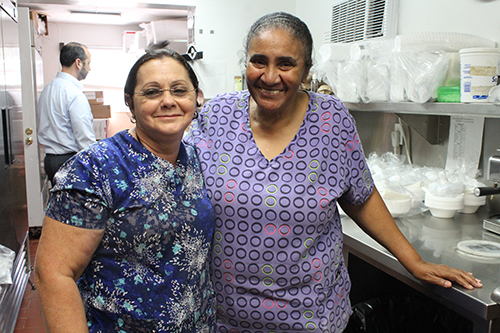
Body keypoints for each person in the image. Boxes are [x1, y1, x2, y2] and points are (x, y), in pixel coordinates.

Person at [184, 12, 482, 332]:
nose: (270, 76)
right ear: (246, 63)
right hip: (225, 318)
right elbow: (178, 184)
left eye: (286, 63)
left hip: (312, 317)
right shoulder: (217, 115)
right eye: (259, 61)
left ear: (306, 71)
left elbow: (361, 197)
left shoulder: (330, 120)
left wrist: (413, 261)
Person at [35, 48, 215, 332]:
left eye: (179, 90)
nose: (168, 101)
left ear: (196, 98)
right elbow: (53, 274)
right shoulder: (94, 169)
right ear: (130, 104)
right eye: (152, 92)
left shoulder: (196, 159)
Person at [38, 42, 96, 185]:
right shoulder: (74, 93)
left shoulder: (48, 89)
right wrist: (97, 164)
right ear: (78, 63)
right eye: (88, 63)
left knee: (62, 204)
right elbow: (84, 137)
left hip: (50, 160)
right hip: (68, 161)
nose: (89, 68)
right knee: (77, 206)